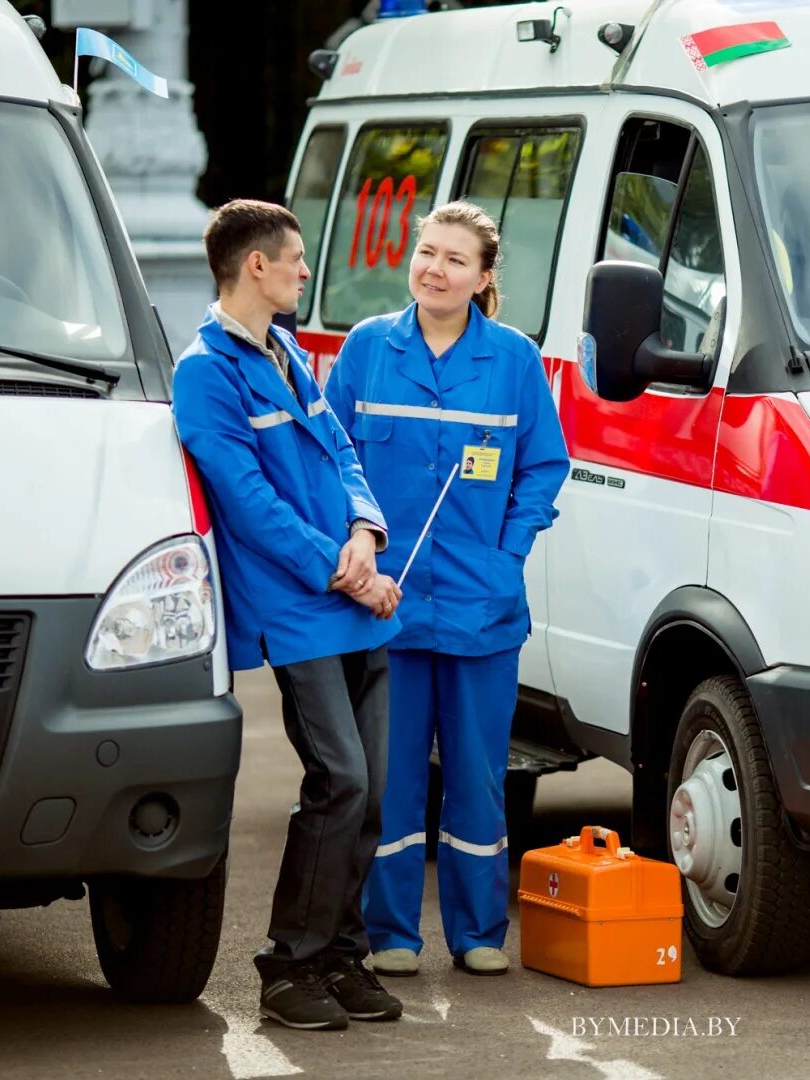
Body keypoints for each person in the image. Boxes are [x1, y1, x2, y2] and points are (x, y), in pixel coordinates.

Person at [172, 199, 406, 1031]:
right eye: (297, 258)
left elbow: (342, 450)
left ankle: (343, 957)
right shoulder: (205, 372)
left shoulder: (287, 353)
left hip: (352, 592)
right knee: (338, 779)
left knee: (372, 791)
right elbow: (249, 504)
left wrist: (366, 532)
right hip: (299, 611)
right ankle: (289, 967)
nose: (308, 270)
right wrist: (343, 572)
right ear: (255, 267)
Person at [325, 201, 569, 977]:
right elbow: (331, 460)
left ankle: (478, 933)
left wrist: (507, 556)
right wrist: (355, 554)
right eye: (427, 252)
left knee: (476, 777)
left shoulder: (513, 361)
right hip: (383, 609)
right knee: (391, 782)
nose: (435, 268)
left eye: (455, 259)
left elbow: (543, 466)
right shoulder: (367, 349)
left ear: (484, 277)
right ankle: (392, 932)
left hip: (480, 609)